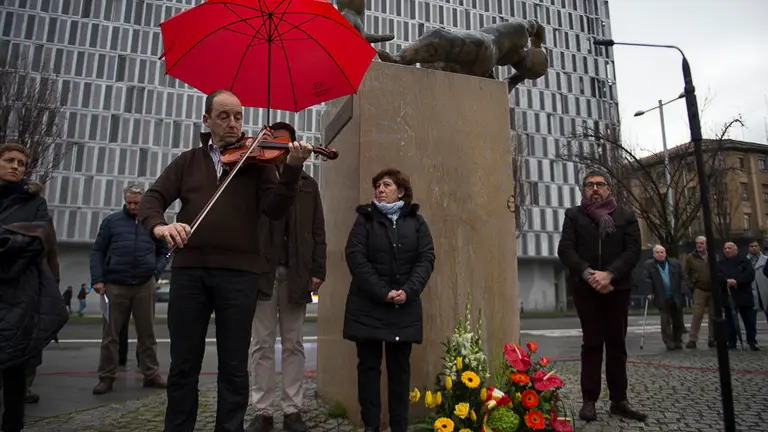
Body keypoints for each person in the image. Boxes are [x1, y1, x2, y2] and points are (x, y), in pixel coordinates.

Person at [137, 89, 313, 432]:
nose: (233, 124)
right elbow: (152, 199)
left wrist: (290, 170)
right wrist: (160, 226)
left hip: (239, 276)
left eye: (238, 117)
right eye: (224, 116)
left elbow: (275, 210)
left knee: (234, 366)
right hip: (190, 273)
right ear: (207, 121)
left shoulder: (257, 165)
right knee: (184, 364)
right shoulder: (188, 161)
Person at [247, 122, 326, 432]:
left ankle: (293, 410)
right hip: (262, 272)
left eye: (282, 144)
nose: (276, 150)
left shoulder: (307, 183)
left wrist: (318, 269)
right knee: (261, 344)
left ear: (293, 146)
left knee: (294, 343)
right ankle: (263, 411)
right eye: (272, 143)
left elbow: (318, 229)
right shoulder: (256, 177)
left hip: (296, 272)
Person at [342, 168, 435, 432]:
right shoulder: (364, 220)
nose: (379, 190)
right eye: (377, 186)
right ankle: (371, 426)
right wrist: (383, 291)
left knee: (399, 372)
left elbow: (426, 258)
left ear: (401, 191)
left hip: (403, 308)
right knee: (368, 370)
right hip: (368, 307)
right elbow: (355, 257)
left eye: (386, 185)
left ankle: (399, 427)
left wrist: (408, 290)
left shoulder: (416, 222)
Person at [556, 170, 646, 422]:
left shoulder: (625, 216)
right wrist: (590, 276)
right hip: (586, 290)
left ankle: (619, 400)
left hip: (617, 288)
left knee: (617, 344)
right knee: (592, 343)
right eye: (589, 185)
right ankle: (589, 401)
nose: (595, 189)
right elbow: (565, 250)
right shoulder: (573, 216)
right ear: (583, 189)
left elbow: (632, 250)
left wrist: (610, 275)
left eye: (600, 184)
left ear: (609, 188)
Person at [0, 143, 68, 432]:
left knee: (14, 367)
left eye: (21, 163)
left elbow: (35, 241)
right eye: (9, 160)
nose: (16, 166)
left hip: (20, 293)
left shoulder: (34, 202)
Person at [90, 184, 169, 395]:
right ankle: (106, 378)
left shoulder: (153, 223)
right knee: (110, 335)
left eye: (136, 203)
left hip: (145, 284)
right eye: (129, 203)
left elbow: (165, 251)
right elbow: (97, 251)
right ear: (124, 201)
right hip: (115, 285)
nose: (133, 206)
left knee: (147, 334)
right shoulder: (111, 222)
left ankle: (151, 374)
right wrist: (97, 279)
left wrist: (156, 273)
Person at [642, 245, 689, 350]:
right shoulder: (650, 265)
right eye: (657, 252)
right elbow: (647, 280)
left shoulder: (675, 263)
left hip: (675, 295)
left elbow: (683, 277)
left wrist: (684, 290)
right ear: (654, 254)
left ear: (665, 253)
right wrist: (649, 292)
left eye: (662, 252)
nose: (660, 254)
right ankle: (668, 341)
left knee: (678, 320)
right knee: (665, 321)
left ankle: (677, 340)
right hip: (661, 296)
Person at [717, 242, 758, 351]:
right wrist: (726, 281)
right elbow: (718, 276)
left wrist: (737, 281)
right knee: (730, 321)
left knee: (749, 320)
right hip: (728, 295)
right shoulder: (720, 263)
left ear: (736, 249)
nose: (727, 250)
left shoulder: (744, 261)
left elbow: (750, 275)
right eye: (725, 248)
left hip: (743, 294)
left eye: (729, 248)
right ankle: (732, 341)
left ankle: (752, 341)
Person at [684, 236, 716, 349]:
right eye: (697, 243)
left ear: (706, 244)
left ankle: (712, 338)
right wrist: (691, 286)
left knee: (713, 315)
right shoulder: (691, 257)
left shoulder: (713, 255)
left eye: (701, 243)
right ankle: (692, 339)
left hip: (713, 289)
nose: (699, 245)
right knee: (697, 314)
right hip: (699, 289)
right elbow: (686, 273)